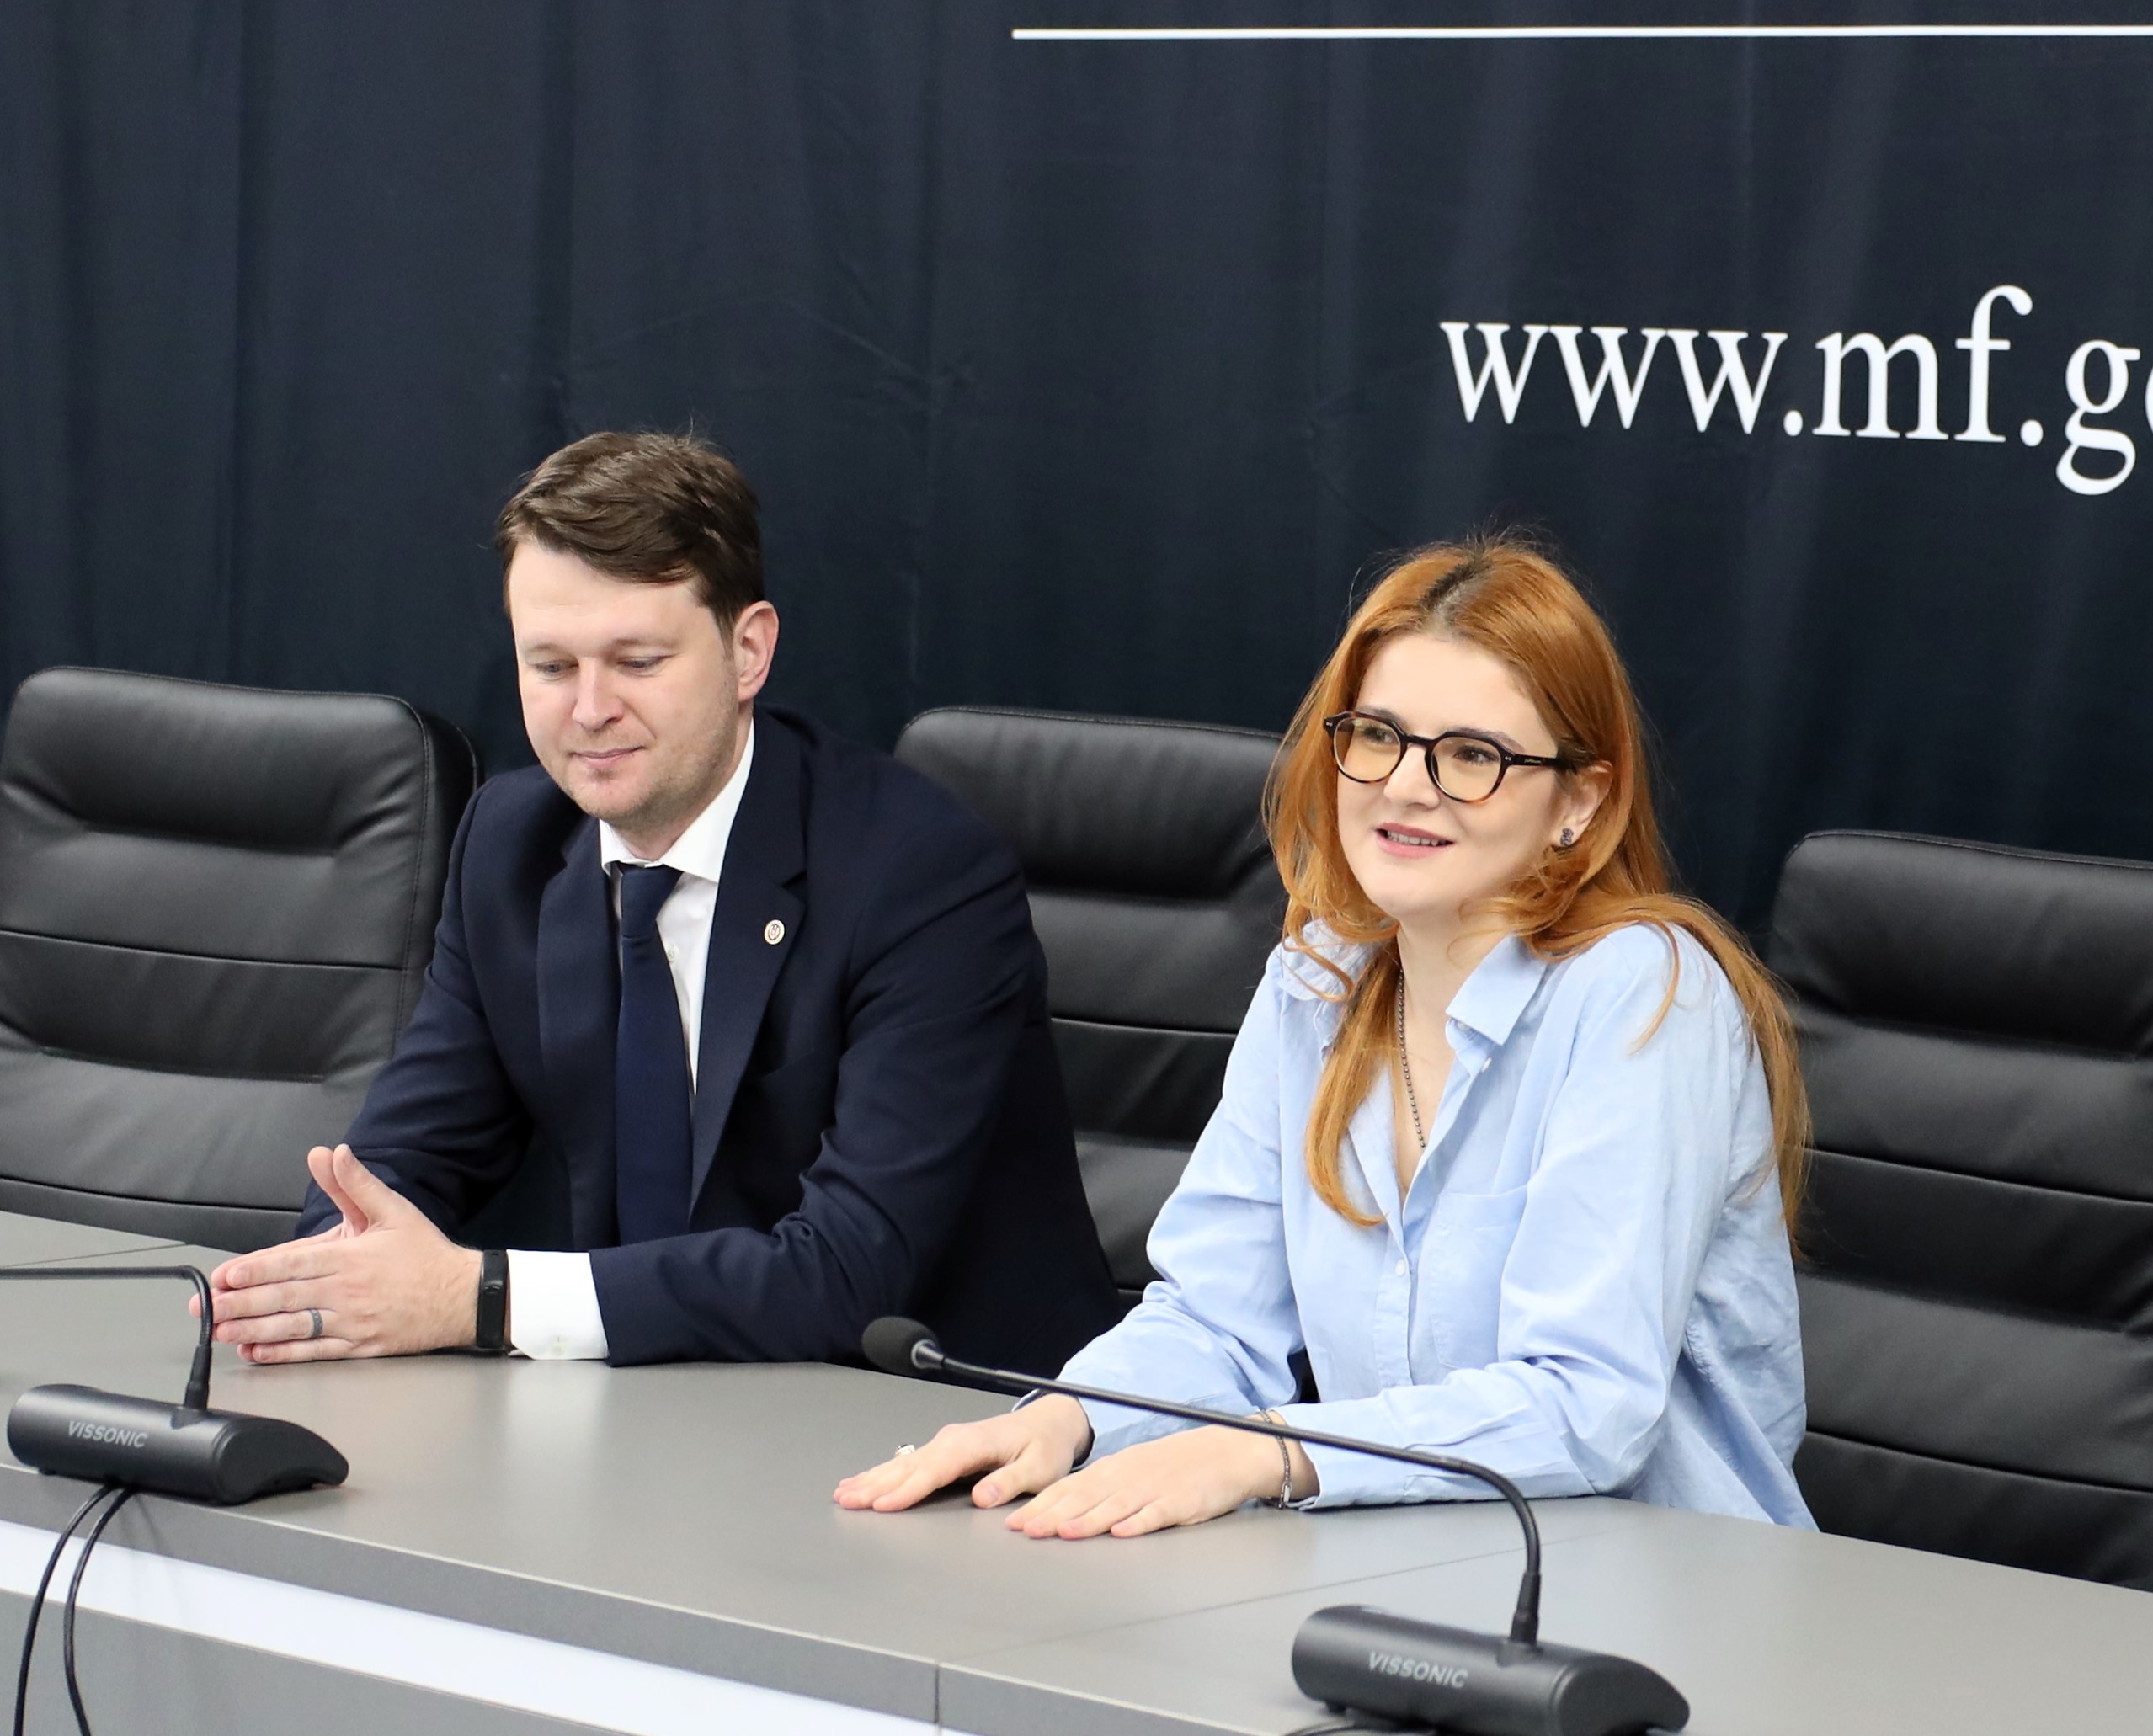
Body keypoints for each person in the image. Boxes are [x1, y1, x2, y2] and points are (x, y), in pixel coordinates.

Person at [838, 539, 1813, 1536]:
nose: (1405, 786)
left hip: (1667, 1579)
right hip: (1409, 1560)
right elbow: (1215, 1319)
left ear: (1579, 800)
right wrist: (1065, 1418)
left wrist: (1269, 1450)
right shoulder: (1319, 978)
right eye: (1377, 735)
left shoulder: (1645, 991)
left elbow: (1584, 1403)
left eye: (1470, 755)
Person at [204, 431, 1117, 1371]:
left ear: (748, 650)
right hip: (642, 1396)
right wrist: (331, 1276)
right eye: (550, 666)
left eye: (636, 660)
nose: (589, 708)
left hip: (938, 1409)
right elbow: (407, 1154)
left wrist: (478, 1296)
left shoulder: (921, 874)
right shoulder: (510, 844)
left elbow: (849, 1270)